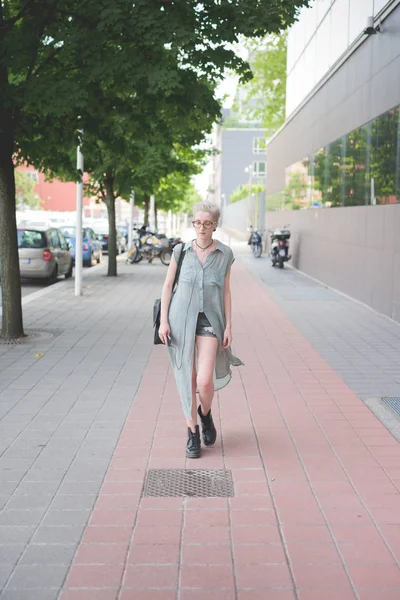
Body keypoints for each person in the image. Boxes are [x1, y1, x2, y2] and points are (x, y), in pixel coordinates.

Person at [158, 202, 243, 459]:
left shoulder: (225, 254)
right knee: (187, 378)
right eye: (198, 222)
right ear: (193, 223)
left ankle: (205, 415)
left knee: (204, 380)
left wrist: (228, 325)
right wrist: (163, 321)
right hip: (180, 321)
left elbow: (225, 292)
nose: (202, 228)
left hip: (210, 321)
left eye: (207, 223)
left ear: (215, 225)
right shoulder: (180, 252)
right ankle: (192, 432)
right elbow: (167, 286)